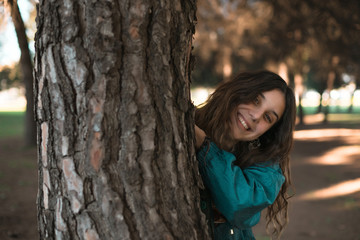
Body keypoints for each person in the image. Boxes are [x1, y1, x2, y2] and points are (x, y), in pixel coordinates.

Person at [194, 70, 296, 239]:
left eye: (268, 117)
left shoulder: (267, 168)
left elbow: (240, 205)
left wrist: (205, 146)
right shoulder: (187, 123)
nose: (256, 116)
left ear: (269, 131)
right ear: (240, 90)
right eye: (255, 100)